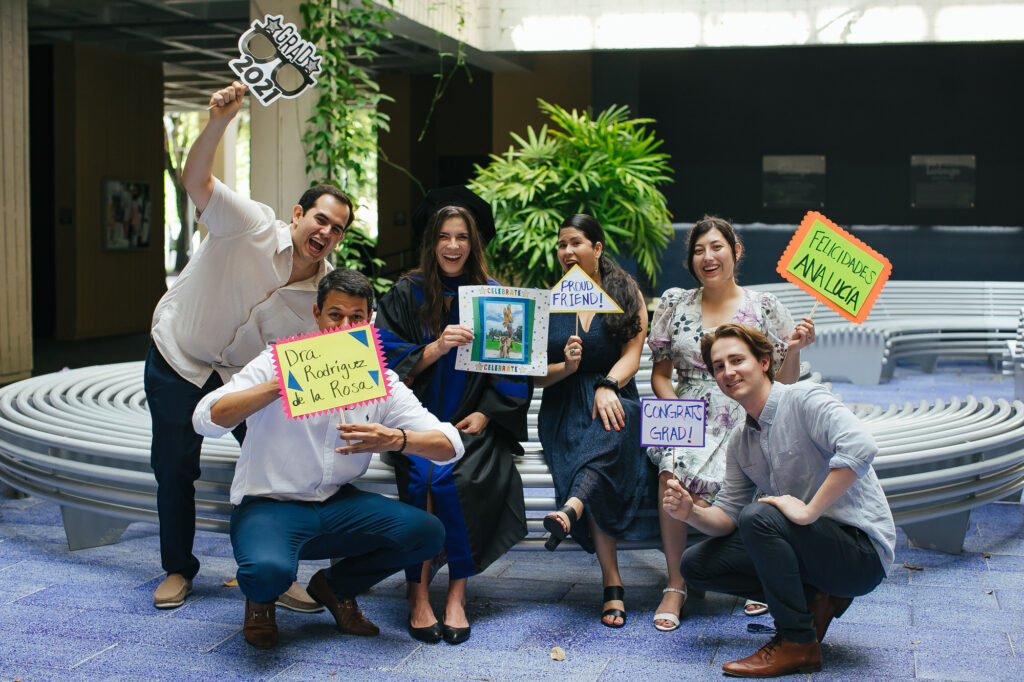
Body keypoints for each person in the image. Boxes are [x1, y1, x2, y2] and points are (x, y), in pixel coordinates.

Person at [145, 81, 354, 610]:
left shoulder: (321, 292)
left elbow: (325, 353)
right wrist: (218, 121)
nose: (326, 233)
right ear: (297, 215)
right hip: (179, 357)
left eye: (337, 229)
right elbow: (196, 180)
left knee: (274, 465)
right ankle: (177, 569)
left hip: (244, 378)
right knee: (175, 467)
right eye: (320, 219)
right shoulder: (250, 223)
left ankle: (275, 572)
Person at [192, 269, 465, 649]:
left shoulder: (380, 379)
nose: (344, 326)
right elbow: (206, 419)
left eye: (356, 317)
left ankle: (335, 588)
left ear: (369, 321)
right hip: (269, 505)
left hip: (337, 504)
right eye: (335, 315)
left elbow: (450, 444)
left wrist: (396, 439)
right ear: (317, 314)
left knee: (427, 533)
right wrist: (279, 384)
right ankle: (260, 602)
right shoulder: (274, 363)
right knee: (266, 572)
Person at [663, 323, 896, 677]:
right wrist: (690, 512)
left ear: (764, 362)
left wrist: (807, 510)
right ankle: (814, 597)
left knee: (759, 517)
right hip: (813, 548)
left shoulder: (805, 398)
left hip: (860, 554)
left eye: (737, 360)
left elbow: (862, 447)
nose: (728, 371)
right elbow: (726, 515)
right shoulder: (741, 440)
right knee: (696, 565)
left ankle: (797, 643)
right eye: (719, 366)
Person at [646, 215, 815, 631]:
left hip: (748, 411)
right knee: (673, 468)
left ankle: (755, 573)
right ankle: (676, 583)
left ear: (735, 251)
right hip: (689, 412)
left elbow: (785, 381)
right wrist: (679, 412)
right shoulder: (675, 304)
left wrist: (793, 349)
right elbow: (660, 374)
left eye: (717, 247)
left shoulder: (766, 308)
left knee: (760, 471)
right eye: (699, 250)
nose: (708, 257)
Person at [375, 199, 529, 645]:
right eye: (444, 236)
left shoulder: (497, 297)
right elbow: (384, 361)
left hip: (472, 424)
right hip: (414, 421)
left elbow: (512, 370)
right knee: (422, 475)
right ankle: (418, 591)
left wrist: (488, 413)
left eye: (462, 236)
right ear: (431, 242)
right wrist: (437, 347)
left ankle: (457, 594)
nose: (453, 245)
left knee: (466, 476)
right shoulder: (407, 293)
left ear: (474, 242)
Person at [537, 213, 658, 627]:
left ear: (597, 248)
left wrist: (607, 383)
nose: (567, 251)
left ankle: (573, 513)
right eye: (561, 245)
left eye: (576, 243)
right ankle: (611, 582)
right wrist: (566, 368)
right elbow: (534, 374)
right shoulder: (548, 300)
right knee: (600, 453)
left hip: (614, 397)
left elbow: (633, 355)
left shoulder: (627, 292)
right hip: (564, 406)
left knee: (620, 417)